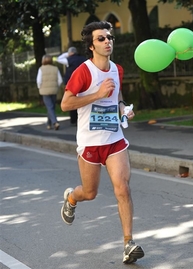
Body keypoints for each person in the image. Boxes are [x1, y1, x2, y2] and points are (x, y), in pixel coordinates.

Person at [60, 21, 144, 264]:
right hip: (89, 142)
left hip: (114, 138)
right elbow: (66, 104)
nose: (108, 41)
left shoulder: (117, 69)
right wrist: (96, 94)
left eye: (109, 37)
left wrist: (123, 110)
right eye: (101, 38)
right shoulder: (84, 72)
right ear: (91, 45)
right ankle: (72, 198)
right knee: (90, 192)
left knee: (123, 188)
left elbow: (116, 98)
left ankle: (128, 243)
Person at [56, 46, 87, 126]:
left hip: (71, 83)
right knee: (83, 99)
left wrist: (67, 54)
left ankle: (73, 120)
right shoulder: (83, 58)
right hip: (84, 82)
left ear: (70, 53)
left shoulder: (69, 59)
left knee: (72, 100)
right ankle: (83, 119)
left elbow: (58, 59)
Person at [36, 55, 63, 130]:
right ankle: (49, 124)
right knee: (51, 107)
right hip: (54, 90)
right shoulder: (55, 68)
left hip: (44, 91)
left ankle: (55, 122)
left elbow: (39, 80)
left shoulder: (41, 69)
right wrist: (56, 86)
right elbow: (60, 80)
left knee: (49, 107)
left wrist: (40, 87)